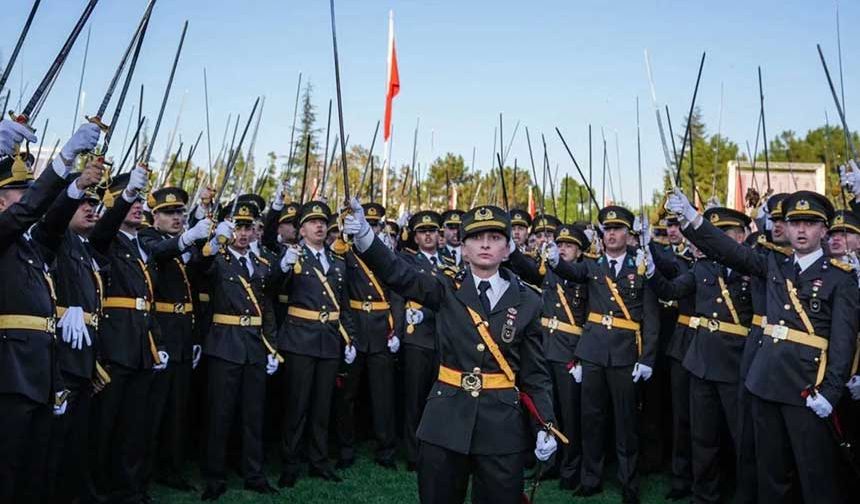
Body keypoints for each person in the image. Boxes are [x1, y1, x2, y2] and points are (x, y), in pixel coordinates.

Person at [344, 200, 558, 504]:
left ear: (508, 248)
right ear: (463, 247)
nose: (485, 244)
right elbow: (397, 273)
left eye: (495, 238)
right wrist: (365, 235)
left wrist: (545, 424)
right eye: (476, 237)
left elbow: (535, 374)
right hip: (445, 421)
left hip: (501, 426)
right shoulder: (445, 287)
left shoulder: (529, 301)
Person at [667, 188, 858, 503]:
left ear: (824, 230)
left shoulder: (841, 278)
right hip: (765, 384)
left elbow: (843, 342)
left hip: (807, 388)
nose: (800, 230)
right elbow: (729, 250)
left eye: (809, 223)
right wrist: (691, 217)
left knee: (816, 476)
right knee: (771, 474)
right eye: (794, 222)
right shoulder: (774, 264)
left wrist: (831, 391)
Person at [0, 120, 100, 503]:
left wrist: (74, 183)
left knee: (34, 468)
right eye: (20, 192)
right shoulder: (5, 234)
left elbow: (52, 223)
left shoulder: (28, 245)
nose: (29, 199)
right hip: (10, 371)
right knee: (8, 468)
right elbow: (25, 214)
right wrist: (61, 161)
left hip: (40, 369)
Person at [545, 205, 658, 504]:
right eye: (607, 229)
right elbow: (572, 270)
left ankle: (628, 484)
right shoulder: (593, 266)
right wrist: (555, 261)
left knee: (625, 424)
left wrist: (647, 358)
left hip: (624, 354)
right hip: (593, 352)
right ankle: (590, 478)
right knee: (591, 419)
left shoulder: (641, 266)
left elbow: (651, 318)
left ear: (628, 234)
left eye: (618, 229)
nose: (611, 234)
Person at [645, 207, 754, 503]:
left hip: (736, 363)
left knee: (742, 437)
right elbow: (671, 290)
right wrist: (652, 271)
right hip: (701, 361)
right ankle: (704, 495)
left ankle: (745, 493)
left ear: (742, 237)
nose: (716, 241)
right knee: (702, 438)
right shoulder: (703, 268)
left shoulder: (753, 268)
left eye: (725, 235)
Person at [88, 165, 169, 503]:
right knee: (104, 425)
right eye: (130, 201)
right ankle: (97, 490)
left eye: (139, 202)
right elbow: (104, 228)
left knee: (135, 426)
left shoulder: (142, 246)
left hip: (141, 345)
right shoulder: (105, 238)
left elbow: (147, 301)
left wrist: (157, 343)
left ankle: (131, 488)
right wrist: (126, 196)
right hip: (114, 344)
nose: (137, 207)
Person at [199, 196, 280, 500]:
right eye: (238, 227)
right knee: (220, 415)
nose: (243, 234)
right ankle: (215, 477)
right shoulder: (217, 258)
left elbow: (267, 308)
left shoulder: (261, 265)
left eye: (248, 227)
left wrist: (272, 346)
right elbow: (199, 267)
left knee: (253, 415)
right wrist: (212, 239)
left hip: (254, 346)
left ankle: (254, 474)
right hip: (225, 344)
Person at [276, 201, 357, 487]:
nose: (320, 226)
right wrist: (283, 266)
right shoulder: (293, 257)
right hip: (299, 338)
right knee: (297, 406)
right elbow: (271, 290)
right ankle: (290, 463)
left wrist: (350, 338)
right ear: (301, 229)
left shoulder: (336, 260)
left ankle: (318, 462)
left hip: (329, 340)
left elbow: (343, 304)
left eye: (323, 222)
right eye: (312, 222)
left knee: (322, 406)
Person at [44, 163, 110, 504]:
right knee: (58, 438)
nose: (90, 207)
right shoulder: (56, 238)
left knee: (78, 437)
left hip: (84, 354)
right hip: (60, 354)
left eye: (94, 203)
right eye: (83, 201)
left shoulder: (83, 247)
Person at [508, 223, 590, 492]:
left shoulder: (586, 275)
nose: (563, 249)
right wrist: (512, 250)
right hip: (545, 347)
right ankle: (551, 463)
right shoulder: (549, 271)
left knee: (570, 414)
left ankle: (571, 468)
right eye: (561, 244)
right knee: (546, 411)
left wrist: (580, 356)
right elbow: (527, 269)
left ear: (580, 252)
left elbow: (592, 319)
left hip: (569, 352)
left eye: (569, 245)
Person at [138, 186, 210, 492]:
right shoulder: (148, 238)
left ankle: (171, 467)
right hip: (161, 332)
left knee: (177, 409)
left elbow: (197, 280)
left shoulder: (183, 243)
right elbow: (160, 253)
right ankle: (143, 472)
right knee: (152, 410)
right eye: (169, 213)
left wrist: (209, 244)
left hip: (183, 332)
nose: (177, 217)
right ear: (155, 217)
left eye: (180, 212)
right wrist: (188, 238)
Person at [335, 202, 399, 470]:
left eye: (374, 225)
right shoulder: (345, 252)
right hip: (356, 327)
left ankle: (386, 450)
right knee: (347, 395)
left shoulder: (384, 253)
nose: (370, 228)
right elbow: (340, 293)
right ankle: (345, 449)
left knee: (383, 395)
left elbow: (397, 291)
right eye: (367, 223)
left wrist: (396, 329)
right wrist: (348, 334)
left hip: (381, 329)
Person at [399, 210, 447, 472]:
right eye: (422, 231)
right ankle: (414, 453)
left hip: (443, 337)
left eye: (432, 231)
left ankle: (437, 450)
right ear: (415, 237)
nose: (428, 235)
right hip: (418, 336)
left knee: (440, 399)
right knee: (415, 399)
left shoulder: (450, 260)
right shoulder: (407, 260)